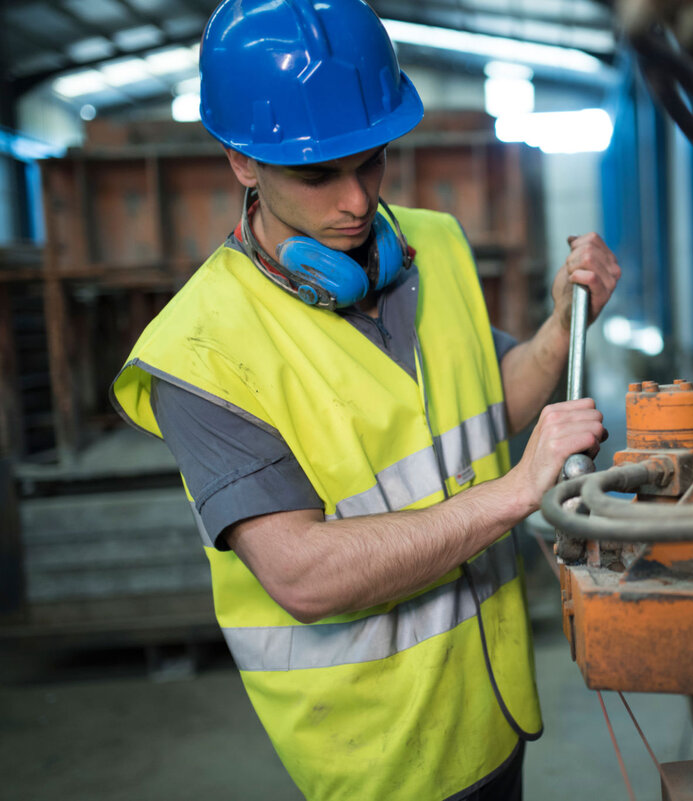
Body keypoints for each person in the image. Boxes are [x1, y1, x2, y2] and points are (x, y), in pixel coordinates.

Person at [109, 1, 621, 799]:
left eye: (371, 161)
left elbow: (494, 402)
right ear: (243, 160)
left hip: (493, 705)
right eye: (319, 173)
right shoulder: (200, 353)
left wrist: (563, 322)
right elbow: (304, 575)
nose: (356, 201)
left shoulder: (433, 246)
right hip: (379, 754)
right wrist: (522, 489)